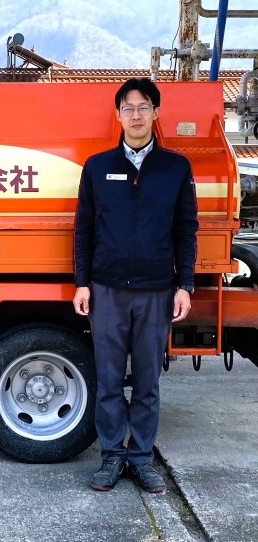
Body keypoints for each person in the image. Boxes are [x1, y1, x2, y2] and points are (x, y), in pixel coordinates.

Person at [73, 77, 198, 494]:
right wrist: (82, 283)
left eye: (144, 107)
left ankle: (142, 458)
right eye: (128, 108)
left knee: (147, 381)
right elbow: (83, 229)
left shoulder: (175, 168)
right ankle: (112, 456)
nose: (136, 114)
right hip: (107, 290)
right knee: (109, 381)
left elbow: (186, 230)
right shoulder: (97, 167)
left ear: (156, 113)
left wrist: (184, 285)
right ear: (118, 115)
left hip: (156, 291)